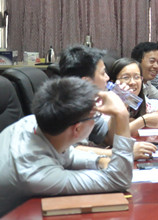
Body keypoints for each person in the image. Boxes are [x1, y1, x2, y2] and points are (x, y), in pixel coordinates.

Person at [0, 78, 133, 216]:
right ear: (77, 129)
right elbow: (118, 180)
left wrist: (99, 160)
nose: (96, 120)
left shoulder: (33, 122)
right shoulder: (36, 173)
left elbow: (67, 154)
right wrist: (122, 115)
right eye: (95, 116)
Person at [109, 58, 158, 140]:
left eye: (137, 77)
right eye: (126, 77)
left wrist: (133, 123)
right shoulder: (106, 102)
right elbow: (113, 136)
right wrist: (143, 121)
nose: (133, 82)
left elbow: (155, 115)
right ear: (113, 82)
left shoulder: (137, 98)